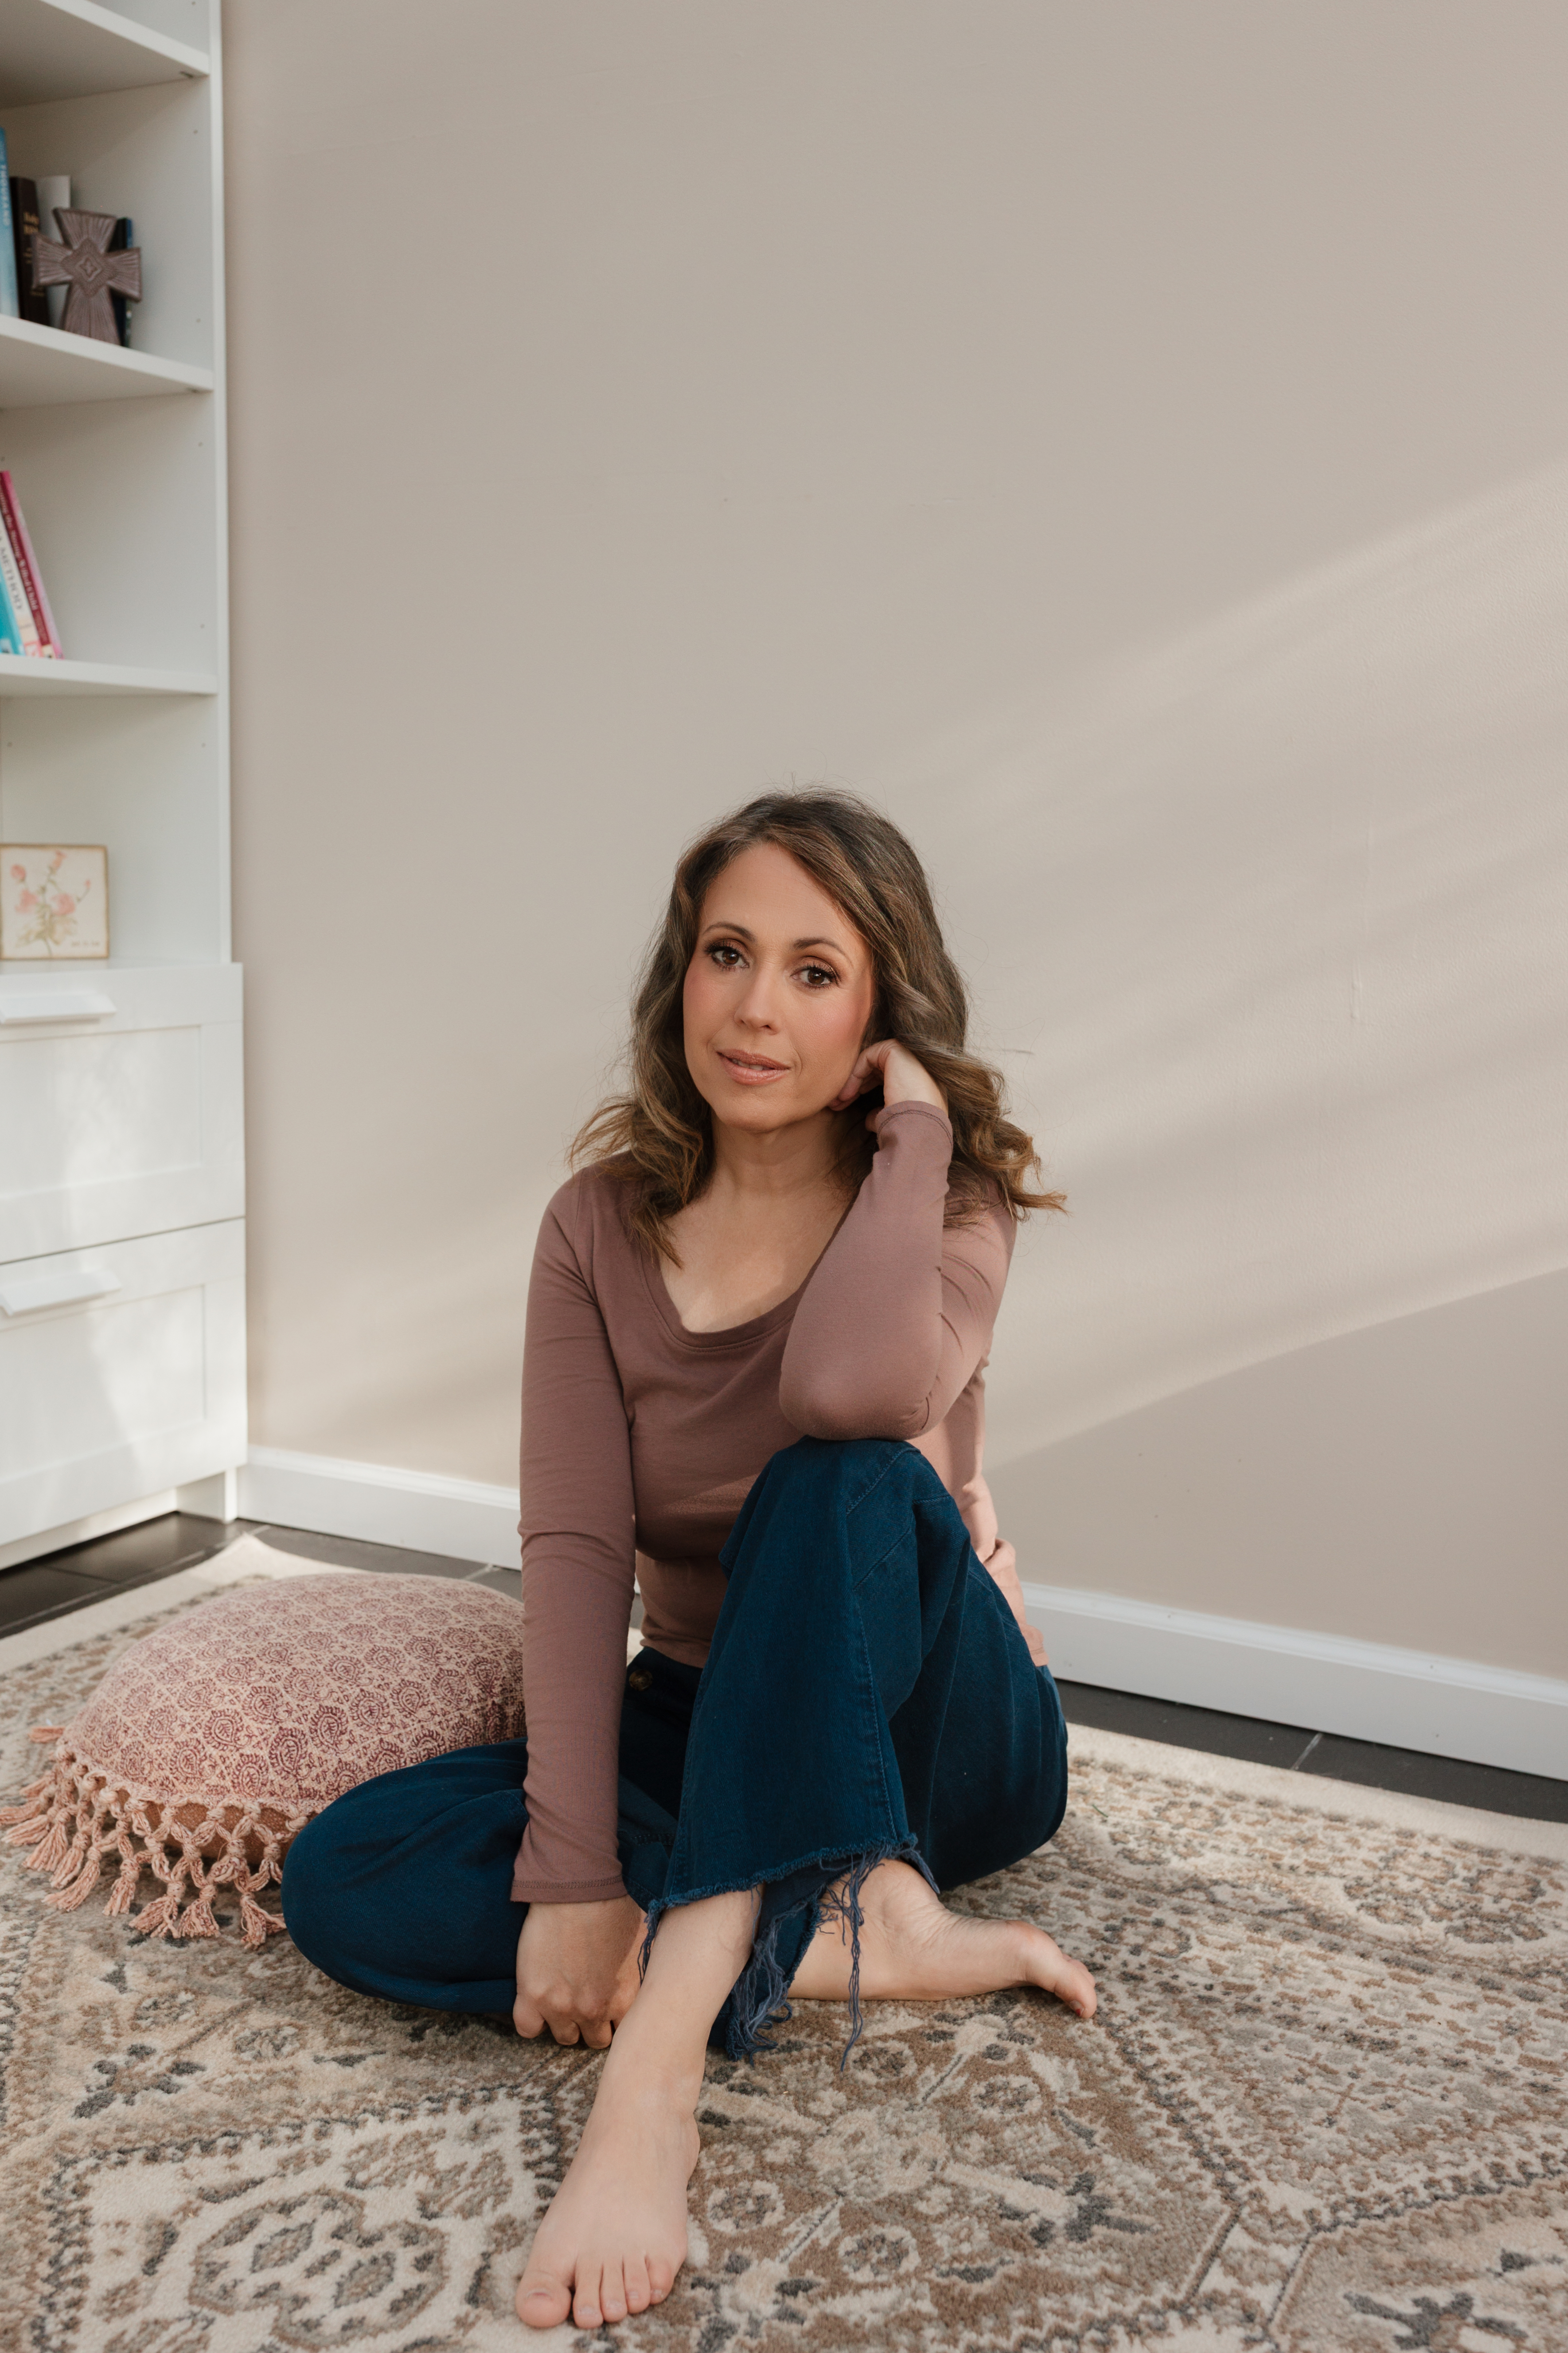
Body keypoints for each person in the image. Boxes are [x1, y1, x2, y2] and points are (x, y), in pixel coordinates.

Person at [282, 789, 1097, 2333]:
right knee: (347, 1873)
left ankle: (655, 2077)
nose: (754, 1007)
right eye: (727, 952)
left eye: (813, 969)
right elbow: (579, 1555)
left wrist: (915, 1128)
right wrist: (572, 1874)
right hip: (710, 1704)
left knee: (837, 1476)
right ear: (680, 973)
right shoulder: (598, 1225)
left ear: (880, 1012)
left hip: (939, 1734)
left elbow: (855, 1400)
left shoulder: (951, 1200)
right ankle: (858, 1932)